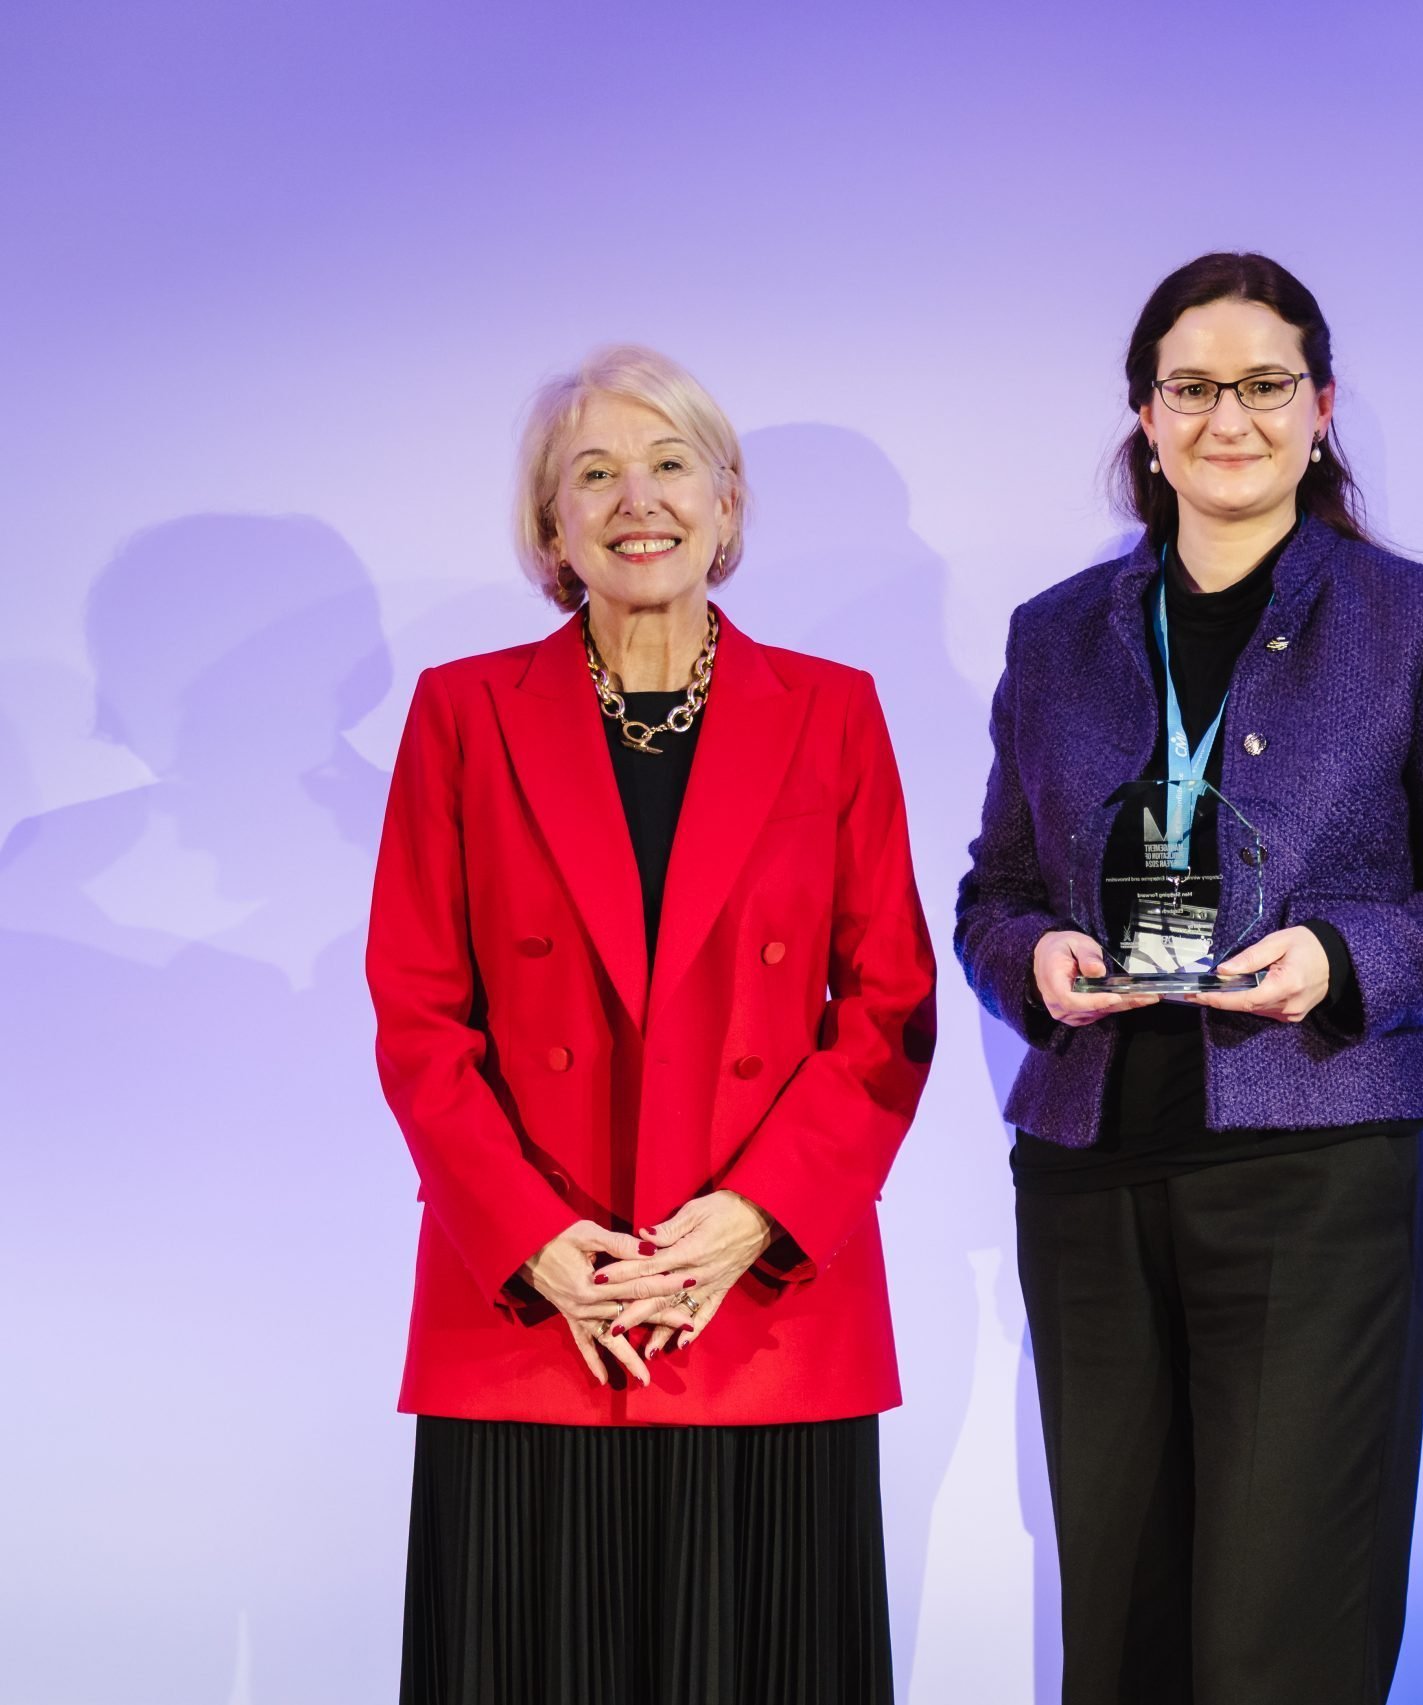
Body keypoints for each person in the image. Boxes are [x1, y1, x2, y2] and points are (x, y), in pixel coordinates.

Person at [955, 252, 1423, 1704]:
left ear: (1321, 406)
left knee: (1284, 1625)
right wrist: (1033, 954)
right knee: (1120, 1618)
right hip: (1090, 1176)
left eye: (1266, 384)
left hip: (1316, 1177)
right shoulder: (1053, 635)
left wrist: (1344, 957)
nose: (1231, 417)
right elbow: (992, 892)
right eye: (1194, 388)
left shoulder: (1415, 619)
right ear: (1144, 419)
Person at [368, 345, 936, 1705]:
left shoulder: (835, 710)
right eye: (596, 472)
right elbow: (418, 1016)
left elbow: (889, 1005)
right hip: (530, 1311)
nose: (640, 500)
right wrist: (536, 1242)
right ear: (550, 523)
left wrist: (751, 1220)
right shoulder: (462, 712)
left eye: (673, 463)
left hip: (761, 1303)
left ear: (729, 505)